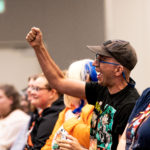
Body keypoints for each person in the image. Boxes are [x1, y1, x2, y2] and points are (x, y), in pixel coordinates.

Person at [26, 27, 140, 150]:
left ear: (118, 70)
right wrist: (39, 47)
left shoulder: (130, 105)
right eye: (97, 58)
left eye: (102, 60)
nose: (95, 64)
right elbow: (58, 82)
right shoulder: (101, 90)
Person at [41, 59, 97, 150]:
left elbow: (89, 139)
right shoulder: (67, 111)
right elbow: (50, 143)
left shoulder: (97, 109)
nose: (67, 89)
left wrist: (71, 122)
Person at [24, 73, 65, 150]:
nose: (31, 92)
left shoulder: (53, 116)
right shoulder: (44, 112)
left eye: (37, 89)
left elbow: (39, 148)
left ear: (52, 93)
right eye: (31, 88)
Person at [0, 84, 30, 150]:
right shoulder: (3, 117)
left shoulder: (19, 118)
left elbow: (2, 146)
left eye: (0, 97)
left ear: (10, 99)